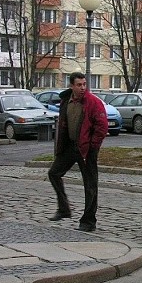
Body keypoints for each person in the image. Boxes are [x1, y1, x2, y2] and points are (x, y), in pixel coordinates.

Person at [48, 72, 108, 232]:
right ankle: (64, 209)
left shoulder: (93, 102)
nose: (82, 88)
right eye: (79, 85)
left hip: (87, 148)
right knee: (54, 173)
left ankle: (88, 221)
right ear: (71, 86)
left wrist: (93, 146)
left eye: (84, 85)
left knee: (90, 185)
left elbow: (102, 126)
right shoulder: (66, 101)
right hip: (69, 146)